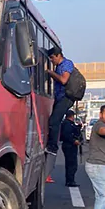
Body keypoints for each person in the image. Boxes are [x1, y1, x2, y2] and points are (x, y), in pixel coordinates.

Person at [44, 47, 75, 183]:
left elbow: (64, 80)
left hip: (65, 98)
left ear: (58, 55)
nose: (52, 60)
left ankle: (52, 145)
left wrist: (50, 72)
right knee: (52, 121)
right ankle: (51, 142)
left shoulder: (66, 64)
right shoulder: (60, 66)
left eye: (52, 58)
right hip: (59, 97)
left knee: (54, 121)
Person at [60, 109, 81, 187]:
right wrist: (74, 141)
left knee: (71, 164)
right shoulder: (67, 124)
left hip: (69, 146)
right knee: (71, 164)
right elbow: (67, 135)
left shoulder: (69, 124)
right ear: (72, 116)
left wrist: (78, 127)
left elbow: (76, 132)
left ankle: (70, 180)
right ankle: (70, 181)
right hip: (69, 146)